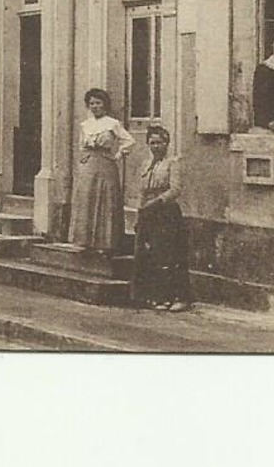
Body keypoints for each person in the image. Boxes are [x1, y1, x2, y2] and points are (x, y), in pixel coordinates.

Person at [132, 125, 191, 312]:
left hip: (166, 214)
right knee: (150, 256)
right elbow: (142, 191)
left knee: (170, 255)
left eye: (160, 143)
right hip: (148, 214)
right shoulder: (145, 164)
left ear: (167, 144)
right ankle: (156, 296)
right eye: (152, 143)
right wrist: (139, 212)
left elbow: (175, 190)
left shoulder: (173, 163)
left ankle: (179, 297)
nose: (156, 146)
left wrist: (156, 201)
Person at [68, 88, 134, 254]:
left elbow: (129, 141)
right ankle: (85, 240)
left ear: (105, 104)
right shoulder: (85, 125)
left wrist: (118, 154)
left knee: (106, 199)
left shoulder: (112, 123)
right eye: (91, 103)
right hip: (89, 166)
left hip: (106, 165)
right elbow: (81, 146)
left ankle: (106, 243)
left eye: (98, 103)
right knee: (87, 198)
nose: (95, 106)